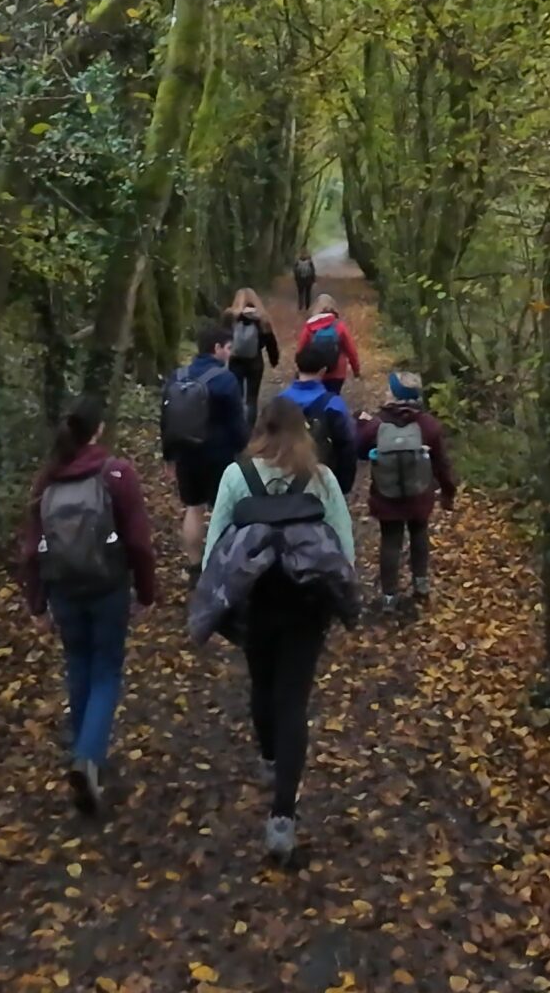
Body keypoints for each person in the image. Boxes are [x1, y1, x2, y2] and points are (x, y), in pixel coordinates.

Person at [189, 396, 358, 862]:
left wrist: (216, 604)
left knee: (262, 684)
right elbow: (343, 547)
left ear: (259, 429)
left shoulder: (236, 476)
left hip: (257, 600)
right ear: (303, 432)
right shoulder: (320, 479)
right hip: (307, 604)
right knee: (293, 700)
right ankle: (283, 817)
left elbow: (215, 551)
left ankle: (269, 758)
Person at [14, 398, 157, 816]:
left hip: (64, 590)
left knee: (77, 665)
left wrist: (37, 604)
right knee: (106, 670)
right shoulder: (117, 474)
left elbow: (31, 550)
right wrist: (146, 592)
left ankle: (84, 756)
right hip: (108, 587)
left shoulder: (46, 480)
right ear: (98, 430)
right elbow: (139, 543)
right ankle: (88, 758)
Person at [355, 372, 458, 611]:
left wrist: (360, 425)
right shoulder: (428, 425)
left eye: (389, 389)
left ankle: (389, 596)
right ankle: (421, 585)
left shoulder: (376, 425)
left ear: (394, 395)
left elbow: (359, 451)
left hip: (386, 496)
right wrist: (448, 492)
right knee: (419, 535)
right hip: (419, 495)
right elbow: (441, 464)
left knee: (390, 542)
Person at [162, 320, 248, 568]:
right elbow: (236, 423)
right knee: (225, 510)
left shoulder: (177, 376)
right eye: (228, 348)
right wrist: (244, 450)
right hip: (219, 455)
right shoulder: (226, 379)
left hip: (186, 453)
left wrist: (169, 456)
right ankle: (222, 563)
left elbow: (167, 419)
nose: (230, 353)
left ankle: (194, 563)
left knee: (193, 508)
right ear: (217, 348)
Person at [278, 344, 360, 496]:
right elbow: (347, 445)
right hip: (321, 479)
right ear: (323, 370)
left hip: (284, 477)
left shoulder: (279, 401)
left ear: (297, 367)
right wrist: (343, 485)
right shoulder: (333, 404)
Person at [225, 287, 284, 408]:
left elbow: (222, 336)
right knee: (252, 398)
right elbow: (270, 342)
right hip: (255, 361)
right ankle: (250, 419)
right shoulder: (262, 319)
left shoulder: (231, 317)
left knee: (237, 395)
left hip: (235, 360)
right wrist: (274, 360)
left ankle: (238, 417)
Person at [296, 293, 362, 397]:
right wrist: (356, 370)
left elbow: (300, 350)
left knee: (316, 399)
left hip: (315, 372)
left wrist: (301, 371)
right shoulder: (339, 326)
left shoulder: (310, 327)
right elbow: (351, 351)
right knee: (332, 399)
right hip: (337, 373)